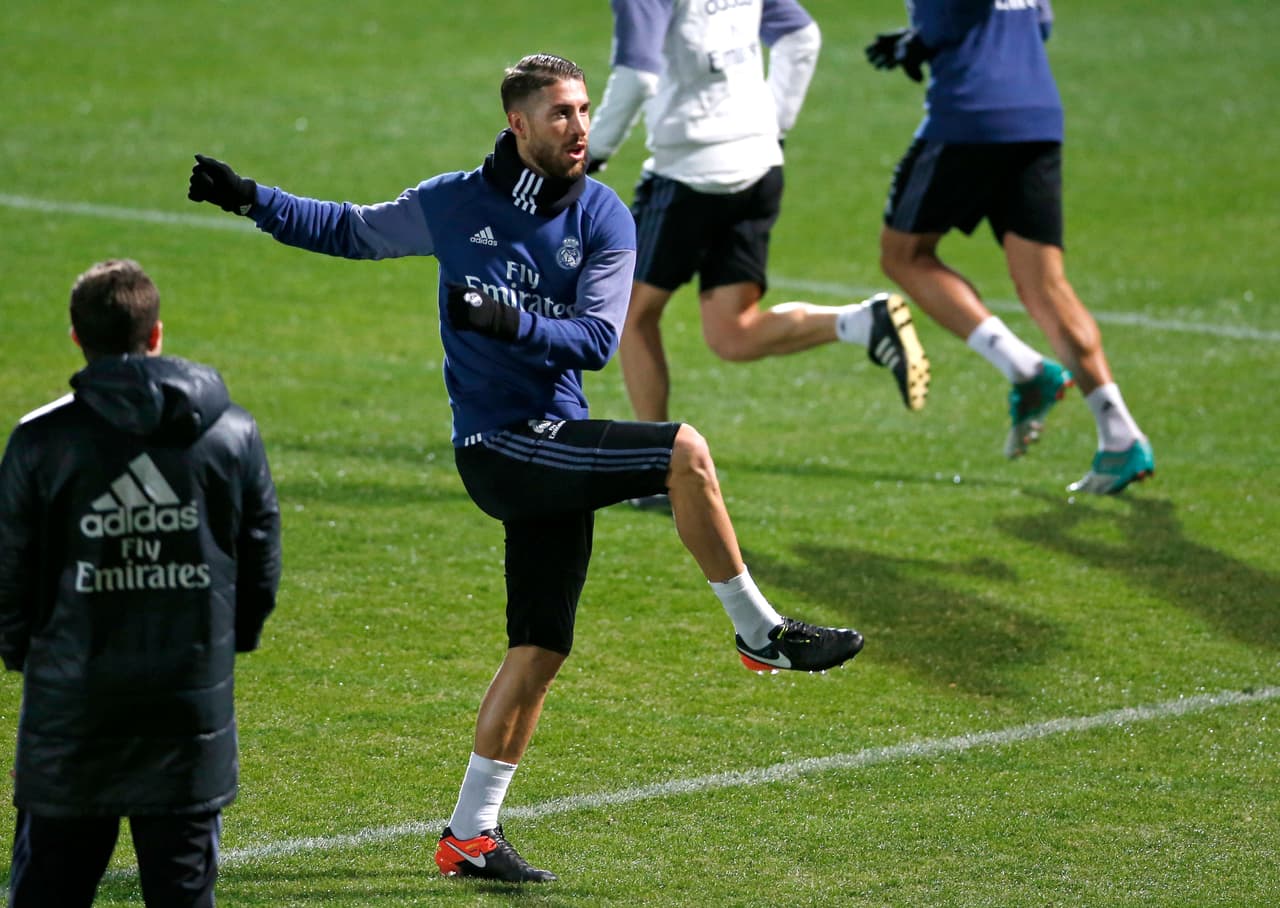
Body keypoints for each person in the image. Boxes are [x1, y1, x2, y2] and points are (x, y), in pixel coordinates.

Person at [187, 52, 863, 885]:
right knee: (684, 451)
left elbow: (596, 340)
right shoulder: (453, 204)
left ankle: (470, 836)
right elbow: (348, 229)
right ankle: (762, 635)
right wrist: (250, 198)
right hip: (500, 446)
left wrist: (507, 318)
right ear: (519, 123)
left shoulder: (606, 217)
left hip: (556, 441)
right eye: (561, 115)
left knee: (539, 649)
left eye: (583, 111)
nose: (580, 128)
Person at [0, 259, 282, 907]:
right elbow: (261, 558)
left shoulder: (41, 441)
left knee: (49, 889)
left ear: (76, 338)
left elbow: (8, 574)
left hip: (72, 709)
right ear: (156, 335)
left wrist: (25, 654)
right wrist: (227, 642)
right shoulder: (231, 433)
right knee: (182, 894)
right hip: (187, 706)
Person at [586, 0, 931, 460]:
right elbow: (801, 37)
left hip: (691, 174)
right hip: (760, 166)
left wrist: (590, 155)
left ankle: (654, 468)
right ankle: (864, 322)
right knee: (733, 333)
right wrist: (774, 127)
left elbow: (638, 75)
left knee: (632, 313)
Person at [865, 0, 1154, 494]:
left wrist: (927, 38)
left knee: (904, 255)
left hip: (969, 117)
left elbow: (949, 17)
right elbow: (1039, 23)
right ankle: (1119, 433)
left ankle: (1024, 368)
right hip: (1037, 116)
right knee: (1045, 286)